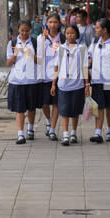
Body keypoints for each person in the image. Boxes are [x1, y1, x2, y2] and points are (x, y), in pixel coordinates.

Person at [87, 17, 110, 143]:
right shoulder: (95, 41)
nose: (95, 30)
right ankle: (97, 133)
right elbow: (90, 58)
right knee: (97, 106)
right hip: (97, 80)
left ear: (105, 30)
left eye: (97, 28)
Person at [50, 20, 87, 146]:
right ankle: (65, 135)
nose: (69, 35)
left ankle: (73, 133)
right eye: (67, 33)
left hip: (78, 85)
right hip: (63, 85)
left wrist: (87, 84)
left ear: (77, 34)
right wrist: (53, 84)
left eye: (72, 33)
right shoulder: (60, 48)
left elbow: (85, 67)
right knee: (64, 110)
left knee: (75, 110)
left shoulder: (82, 48)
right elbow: (56, 67)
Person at [5, 19, 40, 144]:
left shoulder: (35, 42)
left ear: (30, 30)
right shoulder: (12, 43)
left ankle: (30, 128)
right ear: (18, 30)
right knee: (19, 109)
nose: (24, 33)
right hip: (16, 80)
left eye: (26, 30)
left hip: (31, 80)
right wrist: (15, 54)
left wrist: (31, 54)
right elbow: (8, 63)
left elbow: (40, 61)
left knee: (31, 107)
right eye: (22, 30)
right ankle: (20, 134)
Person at [37, 12, 64, 141]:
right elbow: (39, 56)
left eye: (55, 22)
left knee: (56, 103)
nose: (53, 25)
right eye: (50, 22)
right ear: (46, 24)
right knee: (44, 103)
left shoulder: (63, 38)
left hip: (59, 76)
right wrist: (44, 39)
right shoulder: (41, 38)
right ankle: (48, 120)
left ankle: (52, 129)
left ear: (59, 24)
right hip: (45, 76)